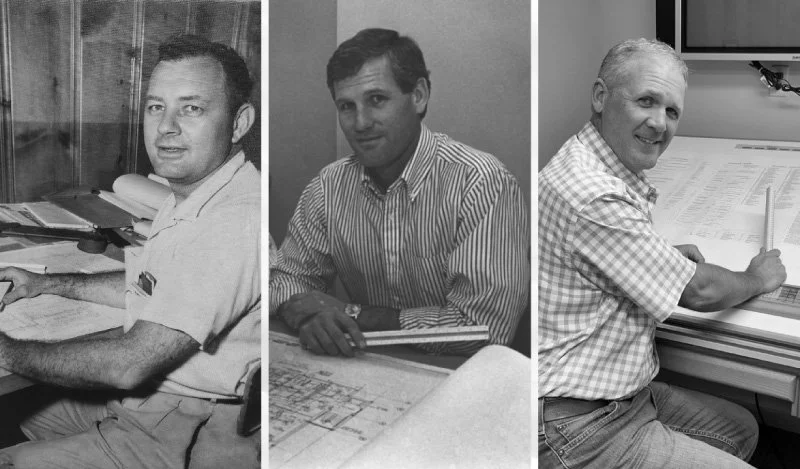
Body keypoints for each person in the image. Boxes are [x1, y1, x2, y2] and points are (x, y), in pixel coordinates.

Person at [0, 34, 260, 468]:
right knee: (12, 409)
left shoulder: (234, 220)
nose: (167, 127)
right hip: (156, 398)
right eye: (157, 107)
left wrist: (5, 351)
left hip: (188, 426)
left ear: (238, 122)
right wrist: (47, 283)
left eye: (191, 108)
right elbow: (150, 286)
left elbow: (128, 365)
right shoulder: (194, 191)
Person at [538, 38, 786, 468]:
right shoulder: (594, 195)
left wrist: (656, 257)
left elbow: (589, 249)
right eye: (646, 101)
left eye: (671, 111)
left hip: (619, 392)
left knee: (740, 427)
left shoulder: (586, 160)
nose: (659, 123)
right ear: (601, 96)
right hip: (577, 424)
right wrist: (759, 277)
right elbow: (701, 293)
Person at [269, 28, 529, 357]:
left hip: (461, 376)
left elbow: (485, 327)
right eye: (346, 106)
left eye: (376, 100)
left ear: (418, 95)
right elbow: (285, 282)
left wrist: (352, 315)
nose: (360, 123)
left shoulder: (481, 182)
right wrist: (308, 313)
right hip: (369, 367)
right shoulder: (328, 187)